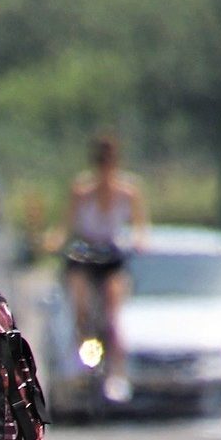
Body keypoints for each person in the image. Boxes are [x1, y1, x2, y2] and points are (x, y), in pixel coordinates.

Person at [62, 134, 147, 386]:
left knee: (113, 311)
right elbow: (67, 225)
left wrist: (140, 241)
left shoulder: (129, 191)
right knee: (81, 304)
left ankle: (116, 371)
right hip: (86, 253)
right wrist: (53, 241)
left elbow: (140, 227)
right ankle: (84, 357)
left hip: (111, 255)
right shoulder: (81, 191)